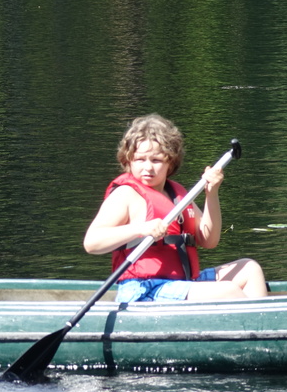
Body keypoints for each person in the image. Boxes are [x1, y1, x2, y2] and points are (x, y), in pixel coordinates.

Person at [83, 114, 266, 303]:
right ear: (128, 160)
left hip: (181, 283)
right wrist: (141, 229)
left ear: (170, 162)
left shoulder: (177, 195)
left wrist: (211, 194)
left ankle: (261, 320)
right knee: (227, 291)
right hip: (144, 289)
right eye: (140, 159)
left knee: (250, 269)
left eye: (156, 160)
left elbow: (209, 240)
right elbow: (92, 243)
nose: (148, 168)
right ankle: (254, 319)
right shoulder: (125, 194)